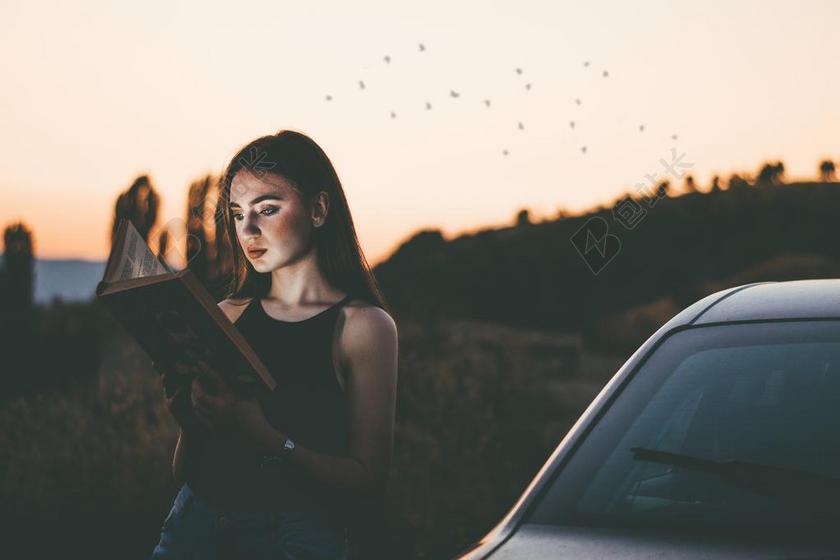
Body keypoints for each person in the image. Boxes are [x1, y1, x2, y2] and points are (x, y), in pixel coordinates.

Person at [150, 129, 399, 559]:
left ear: (318, 209)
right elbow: (184, 473)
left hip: (292, 539)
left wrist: (266, 437)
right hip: (193, 526)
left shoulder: (362, 327)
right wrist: (190, 424)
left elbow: (368, 482)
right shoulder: (225, 315)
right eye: (237, 213)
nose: (248, 229)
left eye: (267, 209)